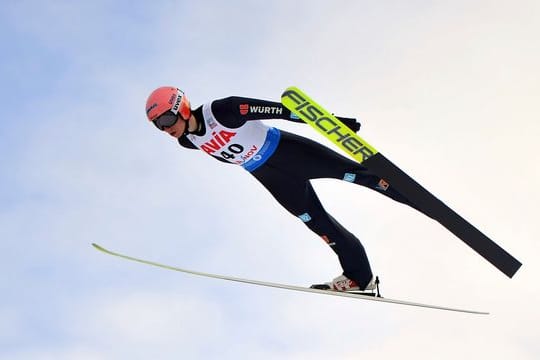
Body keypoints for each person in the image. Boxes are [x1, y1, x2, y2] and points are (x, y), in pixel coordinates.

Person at [145, 86, 418, 292]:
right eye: (158, 126)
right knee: (318, 223)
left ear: (181, 108)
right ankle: (360, 278)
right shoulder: (188, 141)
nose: (165, 129)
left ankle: (418, 199)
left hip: (290, 153)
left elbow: (282, 110)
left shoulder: (223, 110)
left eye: (166, 121)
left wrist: (331, 122)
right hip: (272, 177)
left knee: (359, 177)